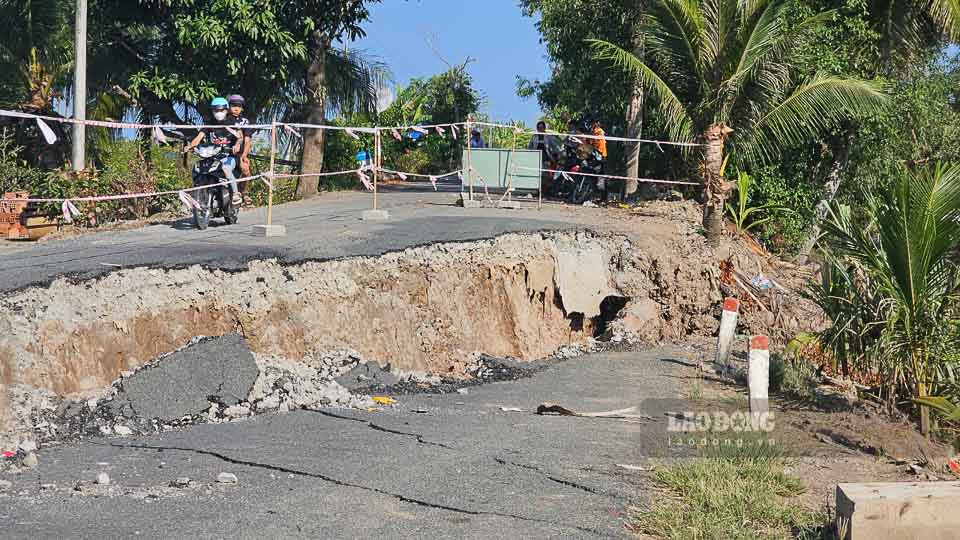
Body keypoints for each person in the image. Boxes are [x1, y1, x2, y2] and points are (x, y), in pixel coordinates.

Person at [184, 97, 243, 206]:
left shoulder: (232, 122)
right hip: (212, 156)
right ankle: (197, 193)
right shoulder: (210, 124)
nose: (219, 113)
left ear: (226, 110)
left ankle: (235, 194)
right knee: (197, 168)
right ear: (212, 111)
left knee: (225, 168)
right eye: (216, 110)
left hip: (228, 157)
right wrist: (190, 146)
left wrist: (237, 145)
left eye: (221, 110)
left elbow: (240, 137)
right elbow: (198, 137)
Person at [226, 94, 253, 205]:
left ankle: (244, 192)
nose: (236, 108)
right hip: (223, 152)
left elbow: (247, 141)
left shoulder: (244, 122)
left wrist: (244, 155)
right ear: (228, 106)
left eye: (239, 106)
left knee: (246, 170)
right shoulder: (223, 120)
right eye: (233, 105)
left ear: (242, 108)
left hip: (238, 153)